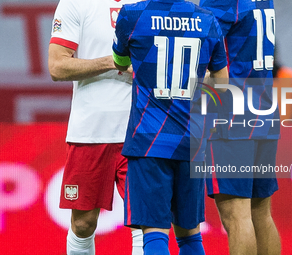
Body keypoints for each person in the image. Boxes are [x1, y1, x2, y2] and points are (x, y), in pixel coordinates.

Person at [112, 1, 229, 254]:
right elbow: (222, 82)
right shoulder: (207, 20)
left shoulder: (133, 14)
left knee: (154, 231)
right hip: (192, 142)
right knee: (189, 234)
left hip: (149, 140)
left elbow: (120, 62)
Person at [48, 0, 143, 254]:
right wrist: (114, 61)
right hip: (90, 130)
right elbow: (57, 66)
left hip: (140, 131)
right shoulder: (74, 3)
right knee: (83, 224)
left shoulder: (148, 3)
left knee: (145, 222)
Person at [199, 0, 281, 254]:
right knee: (260, 212)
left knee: (237, 216)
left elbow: (201, 52)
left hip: (231, 117)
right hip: (265, 109)